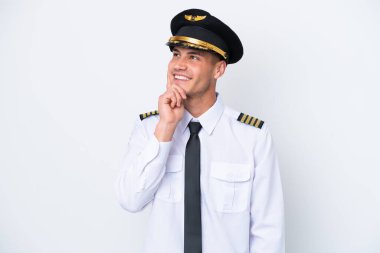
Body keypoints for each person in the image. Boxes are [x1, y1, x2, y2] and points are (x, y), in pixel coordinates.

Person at [116, 8, 285, 253]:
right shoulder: (149, 128)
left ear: (219, 70)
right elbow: (130, 200)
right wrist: (166, 128)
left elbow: (268, 231)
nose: (179, 65)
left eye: (193, 57)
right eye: (176, 54)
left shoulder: (253, 136)